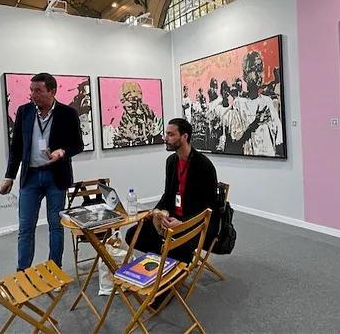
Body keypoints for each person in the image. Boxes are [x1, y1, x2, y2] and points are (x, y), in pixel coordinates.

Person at [0, 73, 84, 271]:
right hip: (30, 177)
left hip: (56, 177)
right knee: (26, 227)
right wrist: (9, 176)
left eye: (38, 90)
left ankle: (55, 269)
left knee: (56, 226)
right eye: (31, 90)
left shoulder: (68, 113)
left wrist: (62, 151)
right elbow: (17, 146)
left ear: (52, 91)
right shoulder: (24, 112)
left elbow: (77, 144)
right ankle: (22, 272)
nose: (33, 94)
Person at [126, 118, 219, 263]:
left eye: (171, 135)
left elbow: (209, 207)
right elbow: (168, 194)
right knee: (133, 234)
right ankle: (166, 259)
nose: (165, 138)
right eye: (166, 134)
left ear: (184, 136)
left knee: (177, 248)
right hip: (173, 217)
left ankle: (171, 262)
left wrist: (182, 222)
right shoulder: (171, 161)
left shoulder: (204, 165)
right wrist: (155, 212)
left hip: (196, 223)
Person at [226, 51, 283, 157]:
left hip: (269, 157)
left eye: (259, 69)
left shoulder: (267, 101)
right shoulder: (239, 104)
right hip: (250, 158)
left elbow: (279, 134)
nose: (257, 74)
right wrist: (255, 123)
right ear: (245, 75)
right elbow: (235, 137)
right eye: (253, 69)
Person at [112, 81, 164, 147]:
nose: (130, 108)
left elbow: (156, 135)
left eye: (133, 104)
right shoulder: (124, 118)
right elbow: (121, 137)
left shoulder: (147, 112)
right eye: (127, 106)